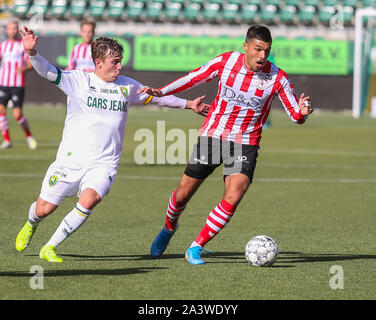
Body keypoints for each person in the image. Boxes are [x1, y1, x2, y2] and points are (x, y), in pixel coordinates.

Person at [15, 26, 209, 263]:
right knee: (44, 209)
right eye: (114, 62)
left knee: (88, 200)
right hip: (71, 160)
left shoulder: (126, 85)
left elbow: (156, 96)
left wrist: (189, 105)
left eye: (120, 62)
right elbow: (46, 71)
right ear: (98, 62)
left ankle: (50, 246)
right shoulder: (78, 80)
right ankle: (31, 223)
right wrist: (33, 52)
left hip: (104, 163)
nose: (119, 66)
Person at [139, 25, 313, 265]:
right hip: (214, 136)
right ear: (246, 47)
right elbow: (194, 77)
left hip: (246, 142)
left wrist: (303, 112)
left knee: (234, 194)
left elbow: (295, 115)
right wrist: (162, 91)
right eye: (258, 49)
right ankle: (168, 228)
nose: (262, 56)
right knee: (182, 195)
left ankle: (196, 247)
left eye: (267, 51)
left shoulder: (278, 78)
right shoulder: (227, 62)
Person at [0, 20, 36, 149]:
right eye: (10, 28)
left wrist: (23, 69)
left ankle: (29, 135)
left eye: (15, 28)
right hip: (3, 83)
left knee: (17, 115)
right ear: (7, 30)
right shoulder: (3, 46)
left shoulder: (22, 45)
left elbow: (31, 64)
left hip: (17, 84)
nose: (13, 31)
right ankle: (7, 140)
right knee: (1, 110)